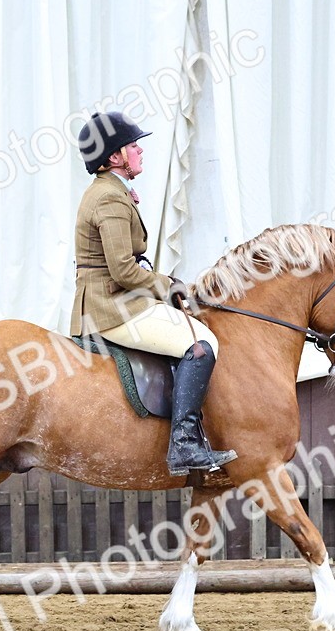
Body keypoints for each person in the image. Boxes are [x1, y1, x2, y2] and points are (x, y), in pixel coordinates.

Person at [70, 111, 237, 476]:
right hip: (108, 308)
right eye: (133, 145)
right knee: (199, 345)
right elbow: (123, 271)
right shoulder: (109, 199)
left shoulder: (112, 191)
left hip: (113, 299)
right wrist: (171, 286)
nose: (140, 151)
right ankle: (184, 447)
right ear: (114, 157)